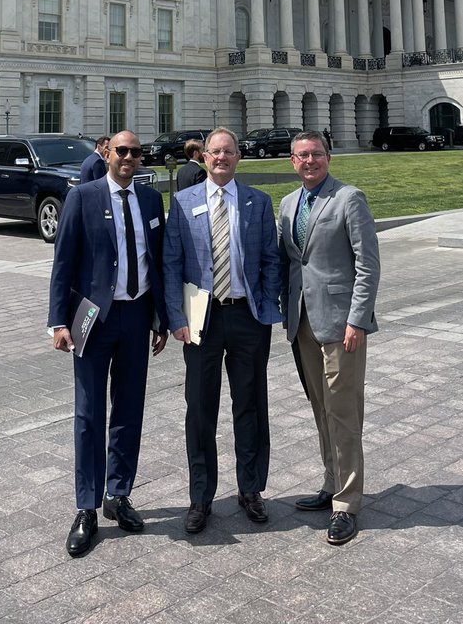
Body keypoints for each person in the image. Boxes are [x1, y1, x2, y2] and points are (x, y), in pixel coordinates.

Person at [48, 131, 168, 558]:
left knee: (130, 408)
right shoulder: (84, 197)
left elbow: (159, 262)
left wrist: (162, 319)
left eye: (136, 152)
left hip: (137, 317)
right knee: (89, 412)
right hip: (92, 320)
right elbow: (63, 261)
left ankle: (118, 495)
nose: (129, 158)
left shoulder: (152, 202)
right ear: (107, 153)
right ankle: (86, 507)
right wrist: (58, 321)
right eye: (122, 151)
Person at [163, 126, 281, 534]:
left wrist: (266, 305)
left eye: (228, 152)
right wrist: (176, 318)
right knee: (200, 409)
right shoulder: (182, 202)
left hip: (247, 317)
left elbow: (270, 258)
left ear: (238, 158)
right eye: (214, 152)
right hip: (202, 320)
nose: (221, 158)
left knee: (249, 405)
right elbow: (171, 265)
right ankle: (201, 497)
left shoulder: (257, 202)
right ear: (204, 157)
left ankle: (251, 489)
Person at [278, 130, 380, 546]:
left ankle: (347, 503)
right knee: (320, 406)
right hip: (302, 321)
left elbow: (368, 265)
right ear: (292, 161)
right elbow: (291, 263)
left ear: (329, 157)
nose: (309, 162)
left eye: (316, 155)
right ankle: (331, 482)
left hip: (342, 325)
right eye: (302, 156)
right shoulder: (287, 204)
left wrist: (357, 320)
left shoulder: (349, 198)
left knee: (343, 411)